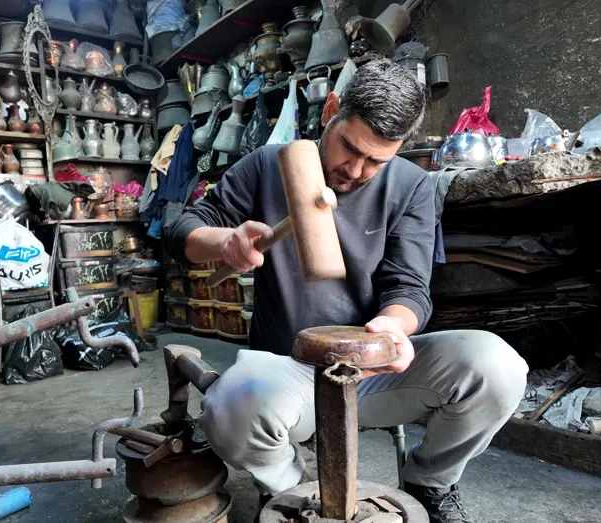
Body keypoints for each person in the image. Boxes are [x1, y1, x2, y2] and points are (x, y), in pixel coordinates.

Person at [166, 59, 528, 523]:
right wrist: (223, 242)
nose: (356, 171)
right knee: (229, 406)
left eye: (377, 160)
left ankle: (429, 482)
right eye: (349, 148)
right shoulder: (267, 167)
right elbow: (181, 233)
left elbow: (410, 286)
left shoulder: (413, 187)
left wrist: (391, 327)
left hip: (376, 369)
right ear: (330, 111)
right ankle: (290, 491)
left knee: (498, 367)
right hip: (290, 371)